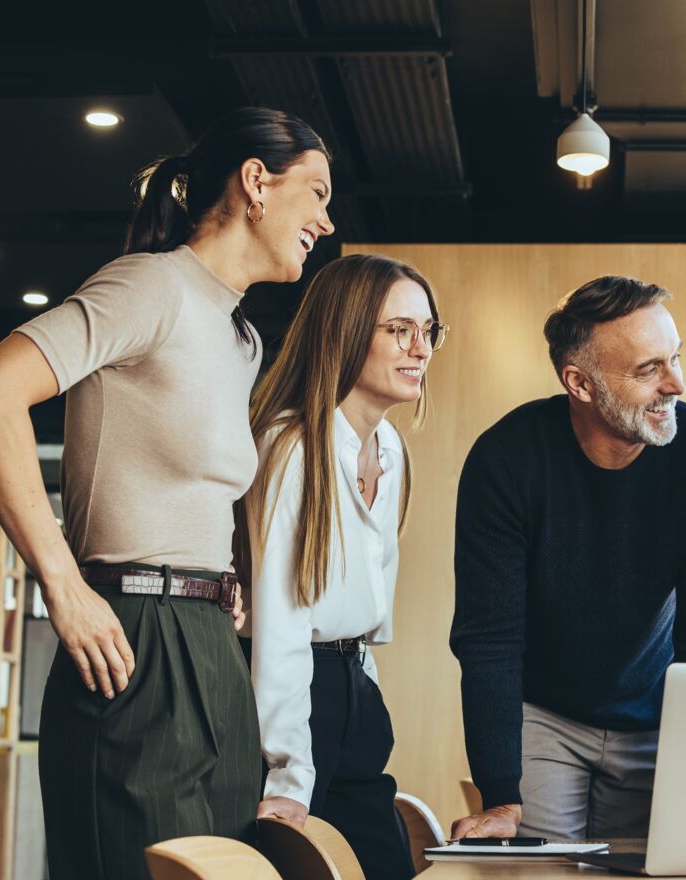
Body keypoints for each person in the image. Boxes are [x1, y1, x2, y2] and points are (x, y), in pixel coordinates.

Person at [0, 106, 335, 879]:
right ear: (257, 182)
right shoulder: (149, 285)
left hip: (208, 645)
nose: (326, 221)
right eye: (318, 193)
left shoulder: (241, 337)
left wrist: (216, 585)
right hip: (131, 639)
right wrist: (63, 585)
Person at [447, 276, 686, 841]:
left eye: (675, 359)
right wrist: (500, 795)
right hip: (544, 714)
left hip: (661, 712)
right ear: (580, 383)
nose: (677, 384)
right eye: (648, 370)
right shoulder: (505, 460)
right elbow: (489, 637)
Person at [243, 253, 445, 880]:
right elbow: (281, 623)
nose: (420, 349)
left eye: (428, 330)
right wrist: (288, 773)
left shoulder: (391, 450)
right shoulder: (291, 445)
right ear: (347, 331)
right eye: (399, 330)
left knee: (386, 865)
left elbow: (370, 607)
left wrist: (367, 690)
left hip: (354, 685)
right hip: (293, 695)